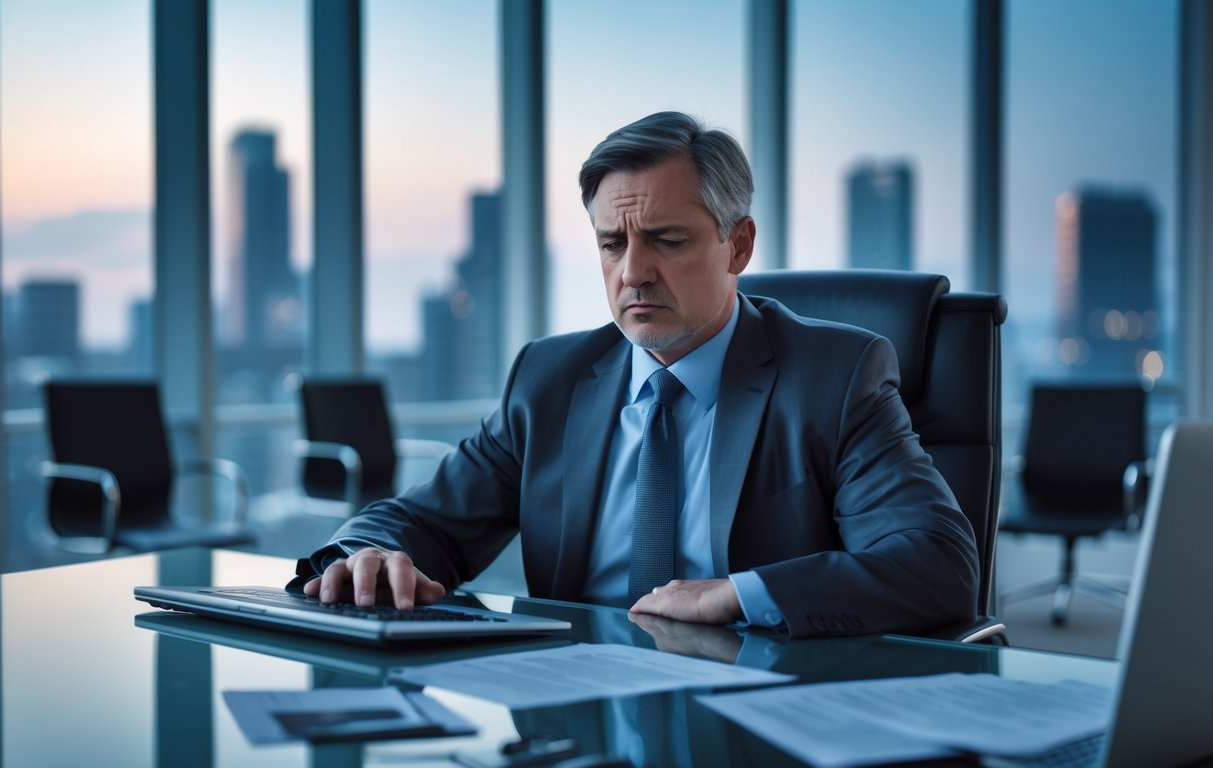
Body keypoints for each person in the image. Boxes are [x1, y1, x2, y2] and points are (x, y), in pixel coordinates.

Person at [289, 111, 978, 636]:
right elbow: (425, 522)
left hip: (753, 713)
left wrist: (738, 594)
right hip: (578, 718)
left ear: (736, 245)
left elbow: (937, 564)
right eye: (611, 244)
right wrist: (368, 551)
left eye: (666, 241)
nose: (632, 273)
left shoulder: (834, 375)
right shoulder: (550, 379)